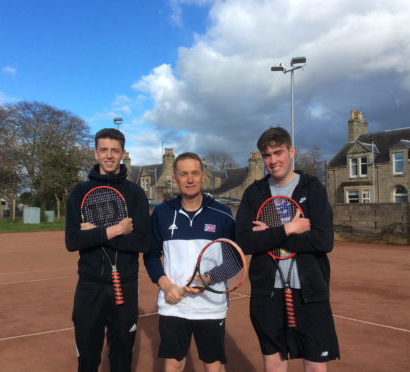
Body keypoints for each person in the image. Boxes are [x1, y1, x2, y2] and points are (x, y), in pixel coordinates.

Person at [236, 127, 339, 372]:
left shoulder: (312, 188)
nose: (273, 160)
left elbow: (324, 241)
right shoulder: (254, 194)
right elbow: (246, 242)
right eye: (267, 155)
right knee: (274, 363)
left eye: (278, 152)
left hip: (310, 292)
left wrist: (270, 234)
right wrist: (289, 229)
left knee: (315, 364)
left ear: (291, 152)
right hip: (267, 293)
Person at [65, 128, 150, 372]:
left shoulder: (135, 193)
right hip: (89, 287)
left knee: (121, 359)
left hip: (125, 285)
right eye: (104, 150)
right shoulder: (79, 192)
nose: (109, 155)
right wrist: (113, 231)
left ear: (123, 153)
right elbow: (72, 241)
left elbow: (143, 242)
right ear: (95, 153)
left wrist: (94, 233)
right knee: (88, 360)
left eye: (115, 150)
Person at [144, 152, 235, 372]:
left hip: (211, 307)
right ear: (175, 178)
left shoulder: (222, 214)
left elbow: (234, 261)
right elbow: (150, 255)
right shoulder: (162, 213)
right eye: (184, 174)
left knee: (213, 366)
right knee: (173, 365)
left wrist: (207, 279)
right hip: (174, 305)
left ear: (203, 176)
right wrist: (167, 287)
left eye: (195, 173)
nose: (190, 179)